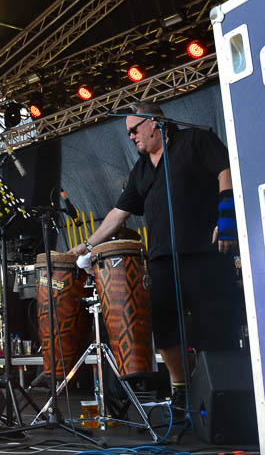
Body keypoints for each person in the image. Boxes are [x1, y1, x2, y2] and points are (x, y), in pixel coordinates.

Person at [68, 100, 245, 409]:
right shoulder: (141, 169)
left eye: (134, 130)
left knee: (215, 323)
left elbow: (225, 170)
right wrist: (87, 245)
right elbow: (118, 213)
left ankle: (223, 393)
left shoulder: (195, 140)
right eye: (128, 133)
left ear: (154, 122)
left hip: (204, 251)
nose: (131, 137)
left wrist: (227, 218)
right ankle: (181, 389)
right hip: (162, 258)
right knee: (164, 327)